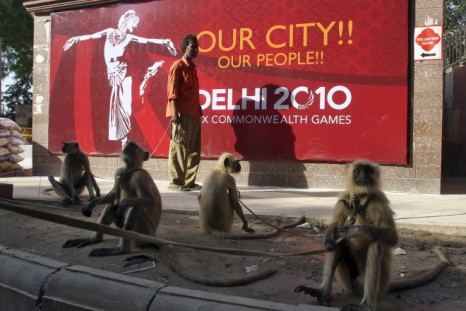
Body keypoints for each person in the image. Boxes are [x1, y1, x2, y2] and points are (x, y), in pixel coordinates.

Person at [63, 10, 177, 148]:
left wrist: (165, 41)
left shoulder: (129, 37)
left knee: (126, 105)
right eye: (134, 23)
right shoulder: (110, 31)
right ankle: (149, 75)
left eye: (136, 24)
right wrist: (75, 39)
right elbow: (92, 36)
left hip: (125, 69)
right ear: (127, 20)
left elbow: (146, 40)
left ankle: (124, 139)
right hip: (112, 71)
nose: (135, 26)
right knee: (121, 104)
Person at [166, 34, 202, 191]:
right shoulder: (178, 66)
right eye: (192, 47)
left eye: (196, 47)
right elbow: (172, 93)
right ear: (184, 48)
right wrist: (175, 114)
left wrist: (198, 109)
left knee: (194, 149)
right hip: (181, 114)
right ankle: (176, 182)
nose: (195, 50)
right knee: (179, 148)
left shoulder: (193, 68)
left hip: (194, 113)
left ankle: (189, 181)